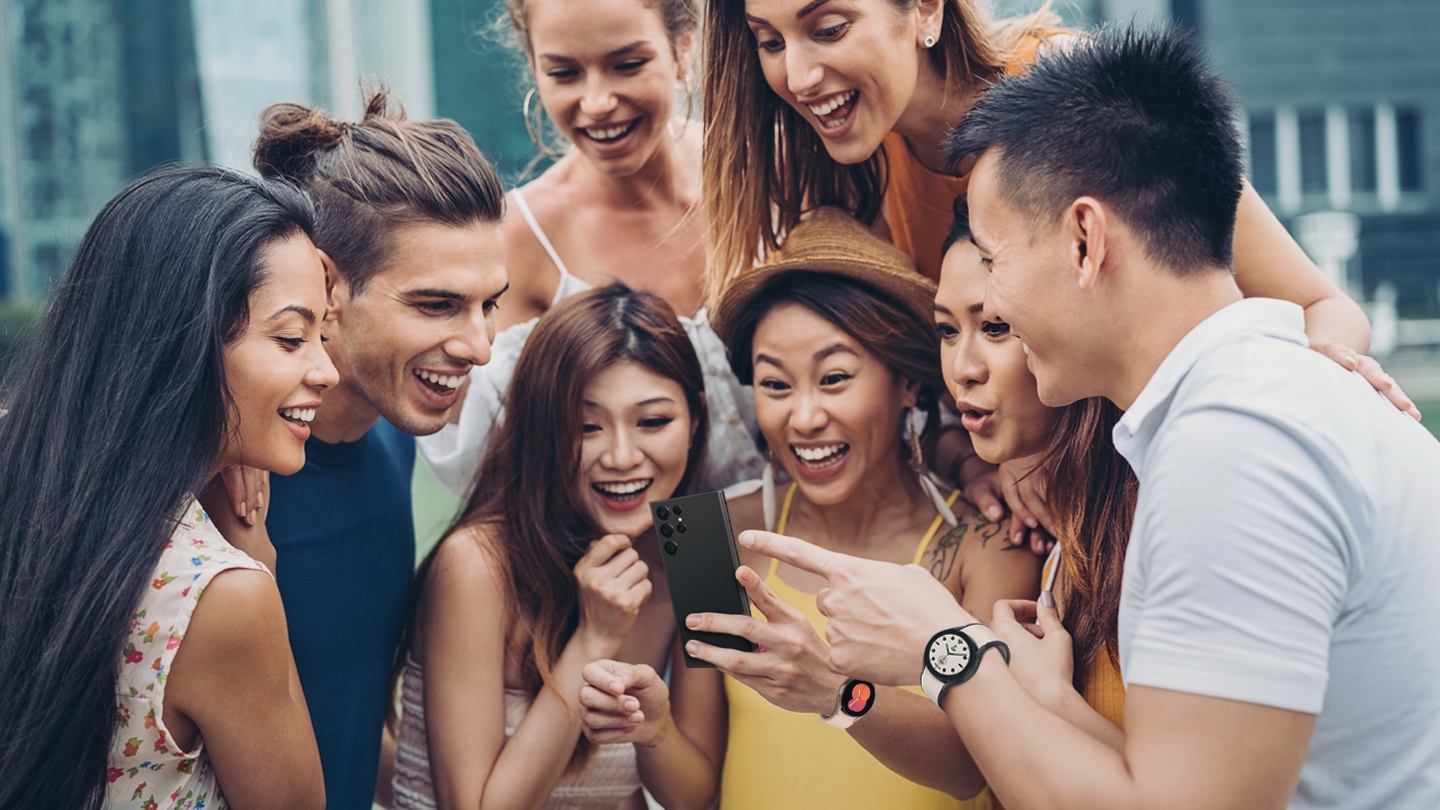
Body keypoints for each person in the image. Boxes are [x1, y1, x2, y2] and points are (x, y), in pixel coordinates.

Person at [743, 26, 1440, 809]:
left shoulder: (1231, 451)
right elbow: (1201, 783)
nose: (992, 302)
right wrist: (1043, 701)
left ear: (1084, 240)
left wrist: (947, 653)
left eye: (997, 261)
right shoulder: (1253, 408)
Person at [701, 0, 1420, 533]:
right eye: (769, 41)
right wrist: (978, 461)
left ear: (923, 10)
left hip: (1189, 494)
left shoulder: (1066, 89)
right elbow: (929, 397)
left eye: (828, 29)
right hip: (1056, 535)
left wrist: (1314, 389)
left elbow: (1322, 308)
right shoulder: (851, 168)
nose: (795, 74)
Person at [576, 209, 1038, 810]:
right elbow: (693, 794)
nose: (803, 417)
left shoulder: (986, 543)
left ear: (908, 384)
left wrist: (836, 691)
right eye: (775, 385)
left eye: (835, 378)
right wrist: (655, 729)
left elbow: (977, 769)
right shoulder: (706, 534)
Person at [0, 166, 335, 809]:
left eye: (322, 334)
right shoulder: (218, 593)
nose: (327, 369)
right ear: (185, 340)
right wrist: (255, 555)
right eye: (292, 338)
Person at [246, 91, 508, 810]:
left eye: (490, 304)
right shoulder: (222, 477)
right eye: (436, 305)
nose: (478, 347)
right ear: (326, 287)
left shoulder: (399, 433)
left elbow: (347, 717)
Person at [418, 0, 765, 497]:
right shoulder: (519, 237)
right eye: (565, 73)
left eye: (627, 65)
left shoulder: (765, 172)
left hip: (810, 532)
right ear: (534, 68)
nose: (597, 101)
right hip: (640, 556)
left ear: (684, 46)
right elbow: (485, 470)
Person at [390, 284, 717, 810]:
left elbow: (697, 797)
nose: (621, 456)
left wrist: (655, 729)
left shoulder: (699, 548)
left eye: (653, 421)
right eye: (586, 426)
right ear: (543, 428)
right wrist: (592, 641)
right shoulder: (477, 564)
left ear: (695, 419)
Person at [934, 205, 1130, 744]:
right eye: (947, 331)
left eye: (995, 327)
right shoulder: (1067, 536)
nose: (962, 368)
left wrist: (1046, 698)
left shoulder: (1151, 516)